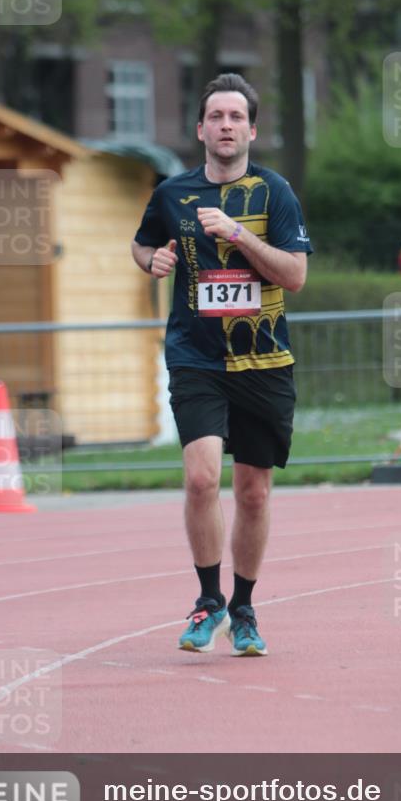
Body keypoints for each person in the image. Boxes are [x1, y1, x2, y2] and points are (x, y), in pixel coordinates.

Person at [131, 73, 312, 657]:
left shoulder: (274, 193)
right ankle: (208, 600)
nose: (226, 126)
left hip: (263, 358)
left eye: (237, 117)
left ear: (252, 129)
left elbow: (295, 275)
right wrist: (150, 258)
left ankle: (245, 607)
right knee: (202, 477)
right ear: (200, 128)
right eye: (216, 116)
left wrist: (239, 235)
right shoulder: (173, 194)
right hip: (196, 356)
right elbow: (140, 242)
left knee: (253, 493)